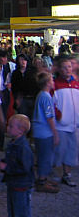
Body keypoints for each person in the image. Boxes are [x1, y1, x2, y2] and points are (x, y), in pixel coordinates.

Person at [0, 115, 34, 217]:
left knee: (20, 212)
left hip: (21, 186)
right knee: (12, 211)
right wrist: (1, 162)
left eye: (11, 126)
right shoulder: (13, 144)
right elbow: (13, 161)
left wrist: (6, 167)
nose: (8, 128)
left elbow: (24, 167)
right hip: (13, 184)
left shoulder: (23, 147)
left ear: (21, 130)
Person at [31, 72, 60, 193]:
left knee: (42, 154)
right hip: (44, 132)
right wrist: (55, 133)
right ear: (48, 83)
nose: (53, 82)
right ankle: (42, 181)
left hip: (38, 131)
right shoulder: (46, 97)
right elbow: (49, 117)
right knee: (45, 156)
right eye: (51, 80)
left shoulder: (41, 95)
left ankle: (44, 177)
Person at [52, 57, 79, 187]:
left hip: (74, 124)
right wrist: (59, 116)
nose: (68, 69)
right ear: (60, 69)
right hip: (61, 125)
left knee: (71, 150)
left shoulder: (76, 84)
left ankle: (67, 174)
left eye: (69, 66)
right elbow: (52, 103)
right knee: (59, 151)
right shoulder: (56, 84)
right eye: (65, 67)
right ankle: (55, 175)